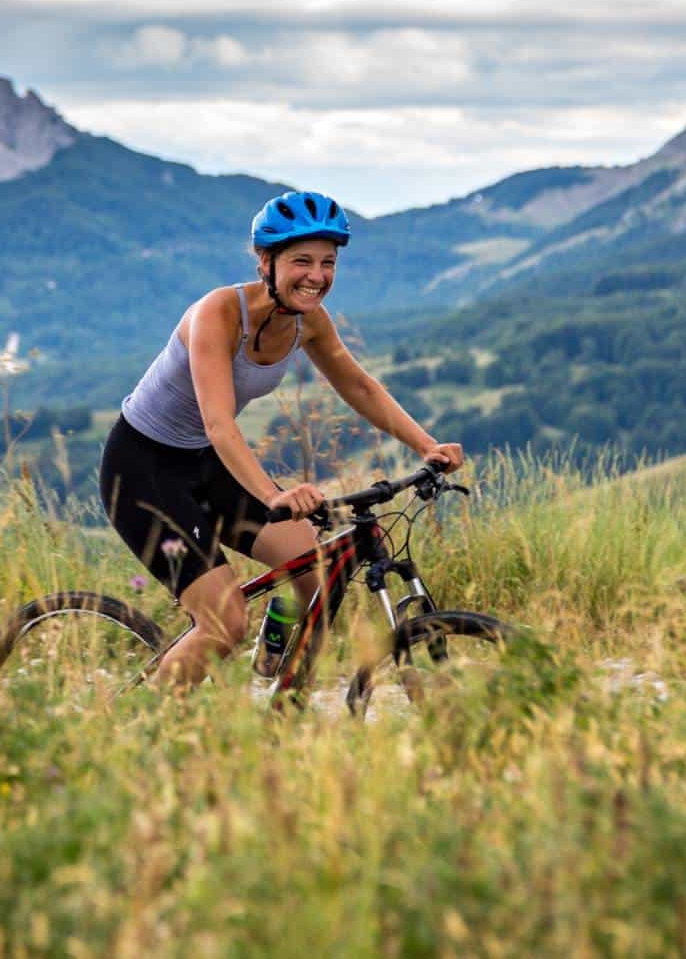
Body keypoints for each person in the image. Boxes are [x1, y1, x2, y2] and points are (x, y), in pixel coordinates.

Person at [97, 189, 464, 687]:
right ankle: (146, 734)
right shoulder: (218, 314)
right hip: (144, 468)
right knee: (224, 624)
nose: (317, 276)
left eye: (328, 262)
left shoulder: (309, 322)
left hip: (209, 465)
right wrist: (273, 494)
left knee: (315, 571)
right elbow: (220, 424)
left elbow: (358, 385)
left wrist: (426, 445)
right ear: (265, 261)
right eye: (302, 261)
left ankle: (275, 683)